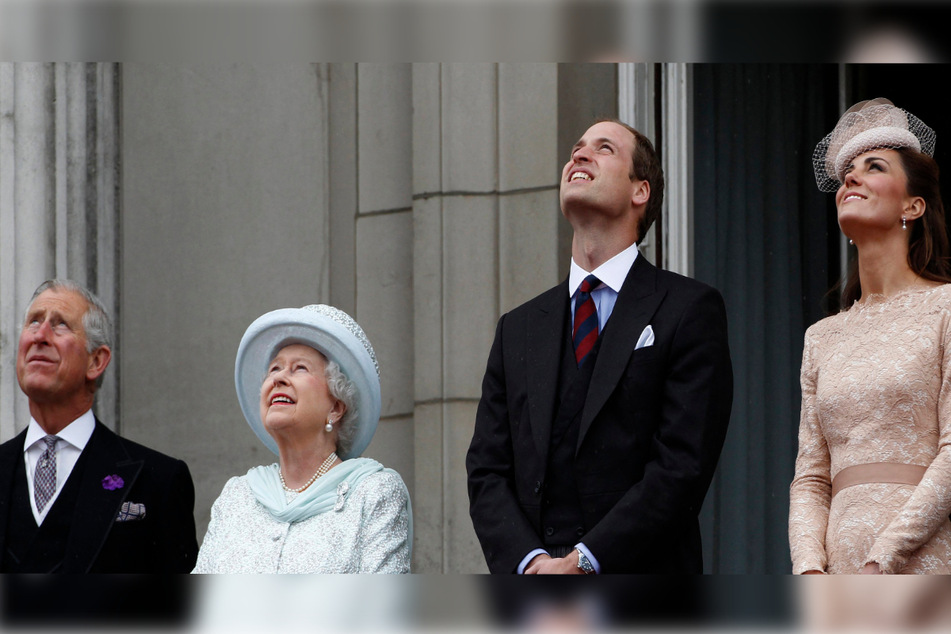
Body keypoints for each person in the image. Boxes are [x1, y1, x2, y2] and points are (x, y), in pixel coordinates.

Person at [466, 119, 734, 574]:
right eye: (576, 148)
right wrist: (530, 564)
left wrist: (586, 561)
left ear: (640, 192)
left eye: (603, 148)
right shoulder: (518, 327)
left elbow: (681, 466)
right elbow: (488, 470)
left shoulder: (689, 308)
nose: (579, 156)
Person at [790, 98, 951, 575]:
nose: (851, 179)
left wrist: (883, 558)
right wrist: (809, 570)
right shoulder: (822, 336)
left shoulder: (946, 308)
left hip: (922, 564)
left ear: (913, 205)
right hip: (837, 577)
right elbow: (811, 480)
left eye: (873, 167)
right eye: (846, 174)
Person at [192, 304, 411, 573]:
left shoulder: (372, 493)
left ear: (336, 407)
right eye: (274, 369)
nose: (280, 378)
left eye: (300, 369)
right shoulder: (237, 495)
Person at [0, 279, 199, 573]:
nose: (39, 336)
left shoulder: (158, 481)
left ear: (96, 361)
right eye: (33, 321)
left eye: (60, 325)